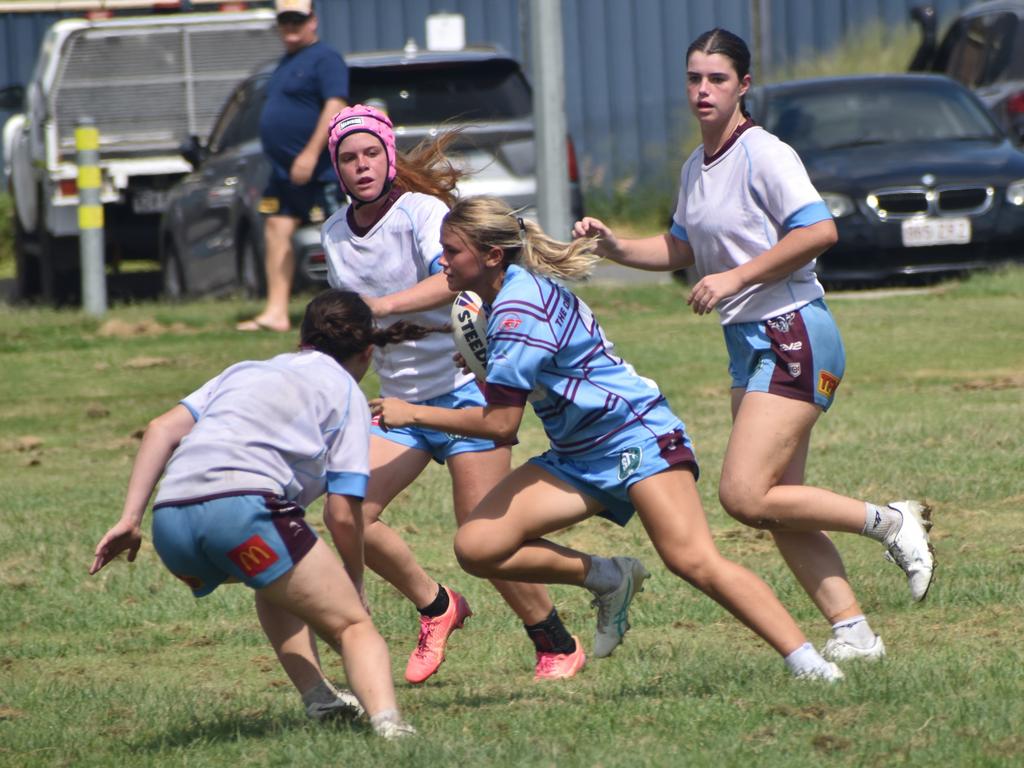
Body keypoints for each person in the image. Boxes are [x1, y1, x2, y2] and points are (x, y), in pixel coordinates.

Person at [371, 194, 846, 682]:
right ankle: (608, 577)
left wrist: (413, 413)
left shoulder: (516, 310)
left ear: (492, 256)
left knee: (693, 560)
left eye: (451, 251)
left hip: (634, 436)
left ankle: (807, 662)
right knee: (478, 545)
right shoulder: (505, 296)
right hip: (577, 453)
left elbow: (499, 425)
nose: (442, 261)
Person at [571, 28, 935, 663]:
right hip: (752, 341)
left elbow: (819, 230)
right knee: (774, 506)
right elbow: (681, 248)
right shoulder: (696, 164)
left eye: (716, 79)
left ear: (743, 85)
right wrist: (615, 246)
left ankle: (891, 521)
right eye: (693, 78)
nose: (702, 90)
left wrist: (735, 277)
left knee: (744, 495)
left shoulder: (764, 153)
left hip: (792, 332)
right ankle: (854, 633)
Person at [319, 104, 643, 682]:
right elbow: (356, 326)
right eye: (349, 157)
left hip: (467, 393)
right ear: (336, 169)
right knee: (347, 511)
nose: (362, 165)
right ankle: (437, 607)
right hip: (401, 402)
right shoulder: (334, 233)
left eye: (371, 153)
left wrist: (386, 306)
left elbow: (449, 279)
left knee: (483, 537)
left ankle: (556, 642)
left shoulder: (421, 212)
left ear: (389, 156)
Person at [89, 290, 420, 739]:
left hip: (171, 526)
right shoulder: (346, 393)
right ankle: (390, 727)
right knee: (353, 625)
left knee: (277, 577)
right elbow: (343, 513)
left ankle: (320, 700)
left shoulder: (246, 369)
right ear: (367, 352)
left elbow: (161, 428)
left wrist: (130, 520)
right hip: (240, 516)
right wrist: (356, 580)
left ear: (303, 338)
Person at [238, 0, 348, 333]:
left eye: (297, 20)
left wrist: (310, 154)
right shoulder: (286, 63)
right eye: (284, 21)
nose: (290, 27)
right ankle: (276, 311)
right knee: (276, 229)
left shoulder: (326, 58)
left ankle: (351, 306)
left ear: (312, 21)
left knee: (341, 236)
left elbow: (335, 104)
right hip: (284, 172)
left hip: (318, 169)